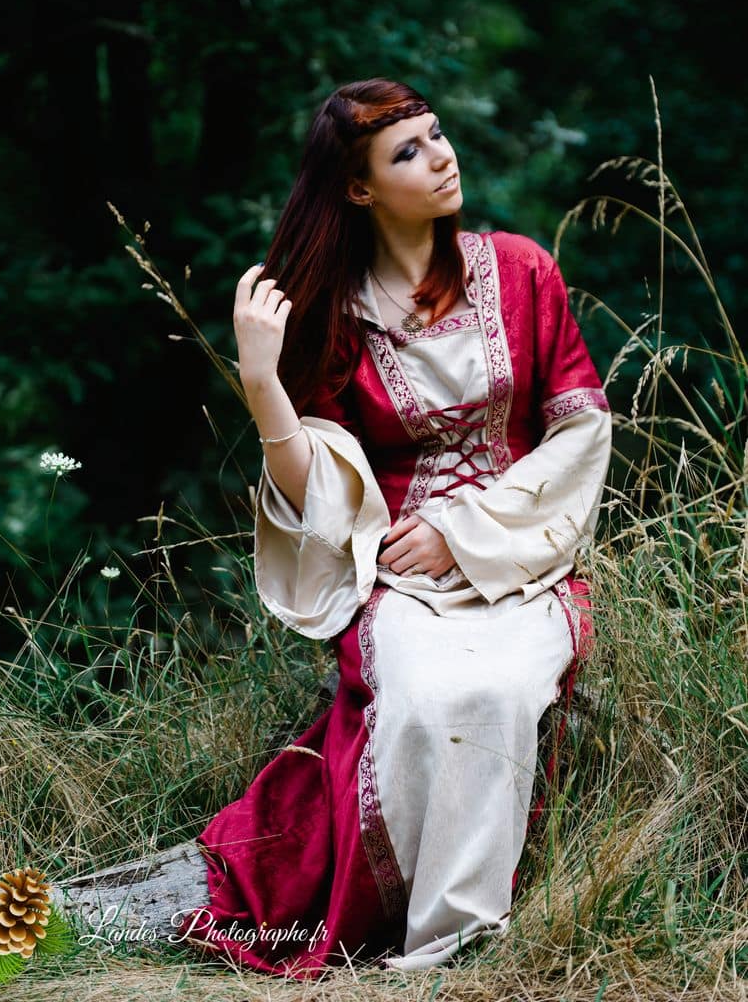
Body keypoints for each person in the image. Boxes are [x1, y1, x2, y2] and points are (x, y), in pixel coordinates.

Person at [178, 77, 612, 977]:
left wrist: (468, 529)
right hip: (400, 577)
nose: (442, 154)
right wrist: (262, 381)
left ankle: (453, 943)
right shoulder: (337, 315)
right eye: (408, 150)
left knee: (495, 695)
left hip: (518, 560)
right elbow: (319, 492)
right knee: (420, 701)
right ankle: (410, 918)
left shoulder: (523, 270)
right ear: (361, 189)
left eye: (437, 135)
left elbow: (581, 429)